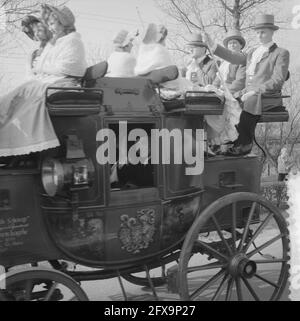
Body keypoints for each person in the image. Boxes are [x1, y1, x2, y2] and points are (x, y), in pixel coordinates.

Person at [0, 5, 87, 158]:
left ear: (63, 23)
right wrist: (41, 69)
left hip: (64, 82)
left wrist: (43, 67)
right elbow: (41, 69)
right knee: (20, 91)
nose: (51, 28)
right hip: (49, 80)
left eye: (53, 23)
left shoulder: (74, 41)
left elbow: (74, 68)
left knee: (31, 96)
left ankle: (16, 142)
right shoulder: (55, 43)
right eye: (50, 24)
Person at [203, 14, 290, 156]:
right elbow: (233, 57)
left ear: (272, 32)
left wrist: (255, 91)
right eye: (257, 32)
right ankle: (221, 142)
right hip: (247, 93)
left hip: (266, 95)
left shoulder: (281, 53)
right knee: (225, 101)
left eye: (263, 32)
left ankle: (244, 145)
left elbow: (278, 80)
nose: (260, 35)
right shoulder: (252, 52)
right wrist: (213, 45)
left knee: (249, 101)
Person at [134, 23, 192, 98]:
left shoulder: (142, 52)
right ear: (163, 37)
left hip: (148, 88)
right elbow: (173, 82)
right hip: (162, 89)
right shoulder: (160, 50)